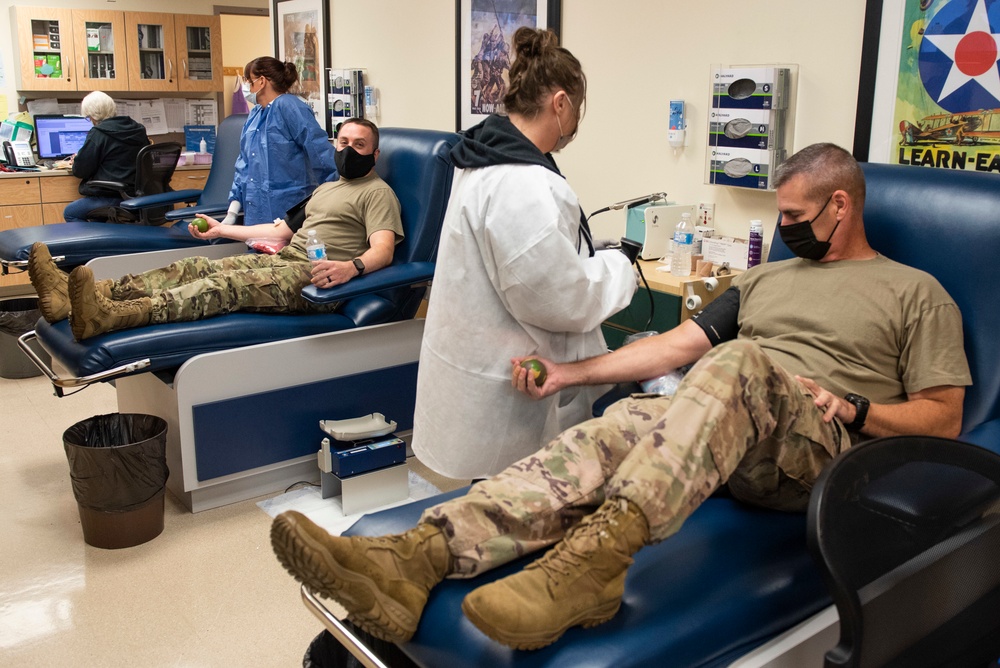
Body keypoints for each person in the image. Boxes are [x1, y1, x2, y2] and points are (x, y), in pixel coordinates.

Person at [269, 143, 971, 650]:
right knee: (618, 423)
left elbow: (945, 417)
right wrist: (572, 374)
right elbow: (675, 347)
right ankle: (415, 557)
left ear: (840, 205)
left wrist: (855, 407)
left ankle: (597, 564)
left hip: (820, 450)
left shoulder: (914, 292)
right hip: (727, 422)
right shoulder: (762, 282)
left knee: (738, 362)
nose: (785, 227)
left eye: (794, 213)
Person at [411, 27, 637, 480]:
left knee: (489, 496)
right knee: (515, 500)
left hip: (478, 358)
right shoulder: (523, 184)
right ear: (560, 103)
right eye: (576, 111)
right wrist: (618, 267)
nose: (575, 124)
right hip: (508, 384)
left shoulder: (480, 158)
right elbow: (558, 299)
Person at [29, 119, 400, 342]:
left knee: (222, 287)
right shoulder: (326, 188)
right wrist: (222, 228)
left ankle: (112, 315)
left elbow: (382, 250)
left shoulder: (377, 193)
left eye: (360, 145)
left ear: (375, 154)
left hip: (320, 280)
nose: (349, 150)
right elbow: (279, 233)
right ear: (335, 144)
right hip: (285, 261)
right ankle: (83, 295)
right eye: (344, 142)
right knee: (194, 267)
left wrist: (351, 268)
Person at [224, 56, 338, 227]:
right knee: (257, 252)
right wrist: (232, 212)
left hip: (289, 207)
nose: (246, 86)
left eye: (249, 80)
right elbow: (244, 164)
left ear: (261, 81)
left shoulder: (290, 107)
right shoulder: (255, 114)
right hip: (255, 210)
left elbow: (320, 152)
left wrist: (336, 196)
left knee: (286, 252)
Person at [63, 91, 151, 222]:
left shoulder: (99, 133)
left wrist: (77, 159)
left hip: (110, 197)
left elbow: (80, 170)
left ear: (93, 115)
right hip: (138, 196)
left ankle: (96, 241)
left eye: (88, 117)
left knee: (70, 212)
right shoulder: (138, 129)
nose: (90, 120)